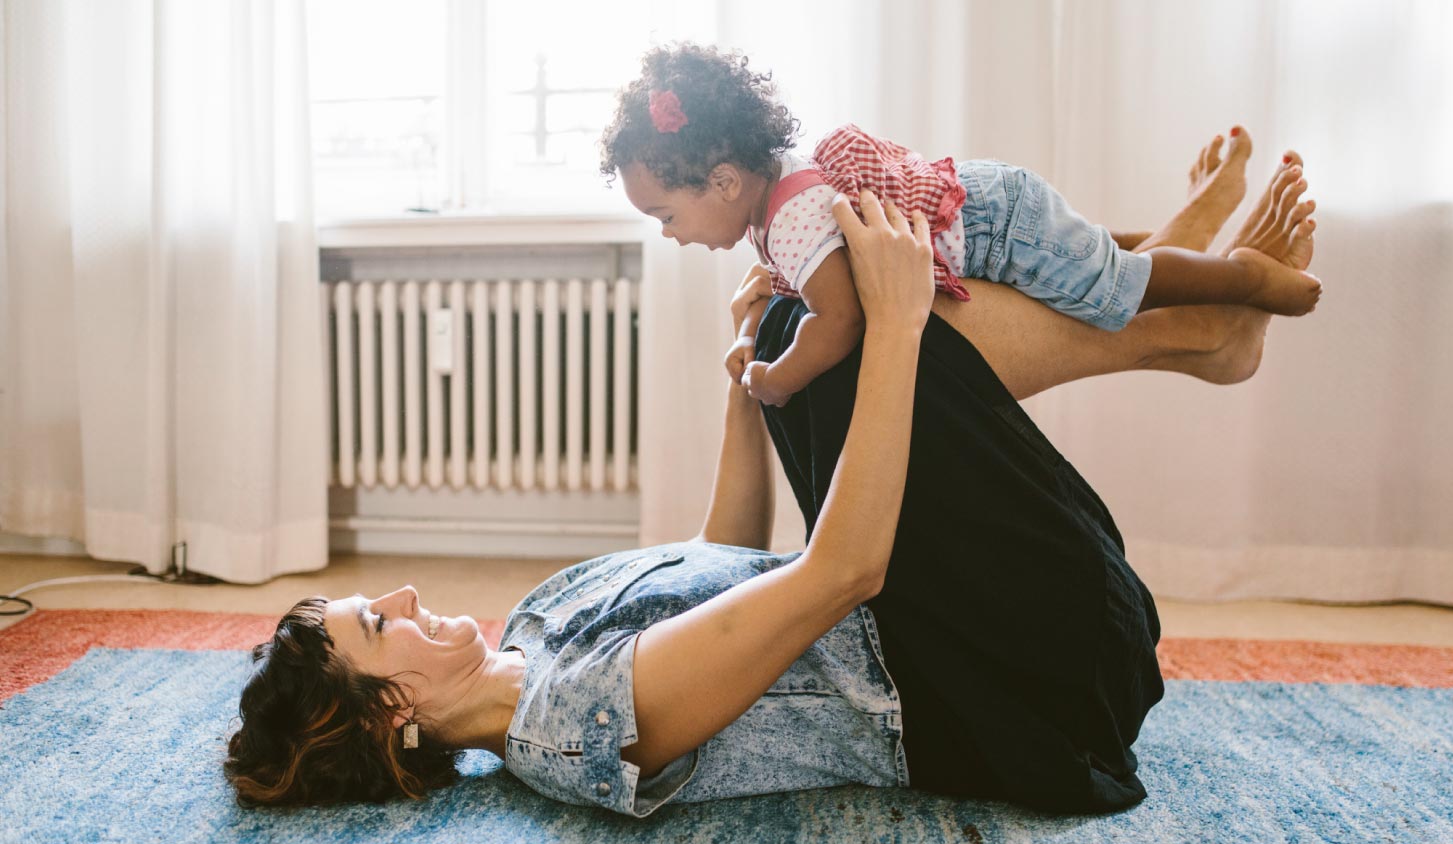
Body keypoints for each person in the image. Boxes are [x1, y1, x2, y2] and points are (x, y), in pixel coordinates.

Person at [225, 135, 1317, 813]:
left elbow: (723, 555)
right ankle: (1180, 319)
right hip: (1034, 685)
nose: (407, 597)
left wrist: (745, 386)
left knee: (804, 330)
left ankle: (1171, 308)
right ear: (391, 715)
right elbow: (841, 570)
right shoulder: (571, 723)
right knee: (848, 324)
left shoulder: (536, 625)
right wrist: (885, 329)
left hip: (957, 619)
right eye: (383, 625)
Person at [599, 44, 1319, 406]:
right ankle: (1176, 234)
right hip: (987, 205)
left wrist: (779, 375)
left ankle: (1244, 280)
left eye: (666, 215)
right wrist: (756, 327)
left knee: (1114, 291)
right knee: (1093, 262)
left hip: (998, 228)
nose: (670, 234)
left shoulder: (785, 220)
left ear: (724, 182)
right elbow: (806, 284)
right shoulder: (775, 195)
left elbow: (841, 317)